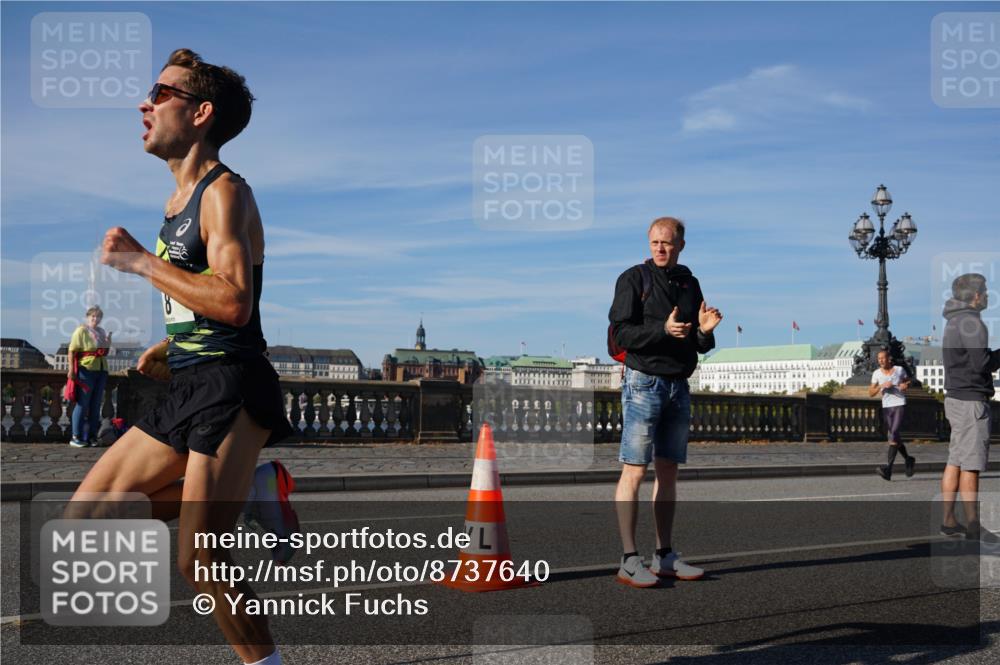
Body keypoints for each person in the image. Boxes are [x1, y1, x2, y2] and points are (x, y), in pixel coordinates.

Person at [68, 49, 296, 665]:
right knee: (84, 519)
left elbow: (235, 303)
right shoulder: (178, 203)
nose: (145, 104)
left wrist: (143, 261)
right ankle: (250, 494)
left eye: (160, 94)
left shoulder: (224, 193)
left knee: (200, 559)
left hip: (231, 386)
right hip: (192, 380)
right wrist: (172, 345)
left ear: (200, 115)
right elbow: (209, 300)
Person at [608, 216, 722, 587]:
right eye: (655, 242)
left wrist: (704, 333)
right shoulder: (633, 279)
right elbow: (622, 334)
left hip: (678, 385)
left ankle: (665, 555)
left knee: (668, 472)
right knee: (635, 470)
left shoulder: (690, 282)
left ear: (680, 246)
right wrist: (662, 329)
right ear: (649, 242)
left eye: (667, 243)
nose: (660, 248)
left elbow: (696, 345)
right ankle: (628, 559)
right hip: (643, 382)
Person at [940, 273, 999, 540]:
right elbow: (982, 363)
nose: (987, 295)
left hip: (954, 397)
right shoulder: (972, 323)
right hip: (971, 401)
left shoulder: (953, 321)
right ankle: (974, 524)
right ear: (975, 296)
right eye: (985, 291)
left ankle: (949, 520)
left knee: (955, 461)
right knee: (971, 464)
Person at [67, 305, 112, 447]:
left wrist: (108, 344)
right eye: (93, 316)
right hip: (86, 370)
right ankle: (76, 436)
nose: (96, 319)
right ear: (88, 317)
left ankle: (92, 437)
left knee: (95, 405)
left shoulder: (101, 331)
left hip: (101, 370)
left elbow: (104, 353)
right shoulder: (81, 330)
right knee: (82, 403)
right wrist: (71, 370)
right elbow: (72, 351)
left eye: (98, 316)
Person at [870, 348, 914, 480]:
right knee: (895, 438)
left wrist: (906, 385)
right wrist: (881, 386)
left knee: (893, 435)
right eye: (879, 359)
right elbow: (871, 393)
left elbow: (908, 381)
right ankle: (908, 459)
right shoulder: (876, 373)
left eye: (883, 358)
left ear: (889, 358)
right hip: (886, 407)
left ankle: (888, 469)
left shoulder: (899, 370)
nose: (881, 361)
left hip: (899, 403)